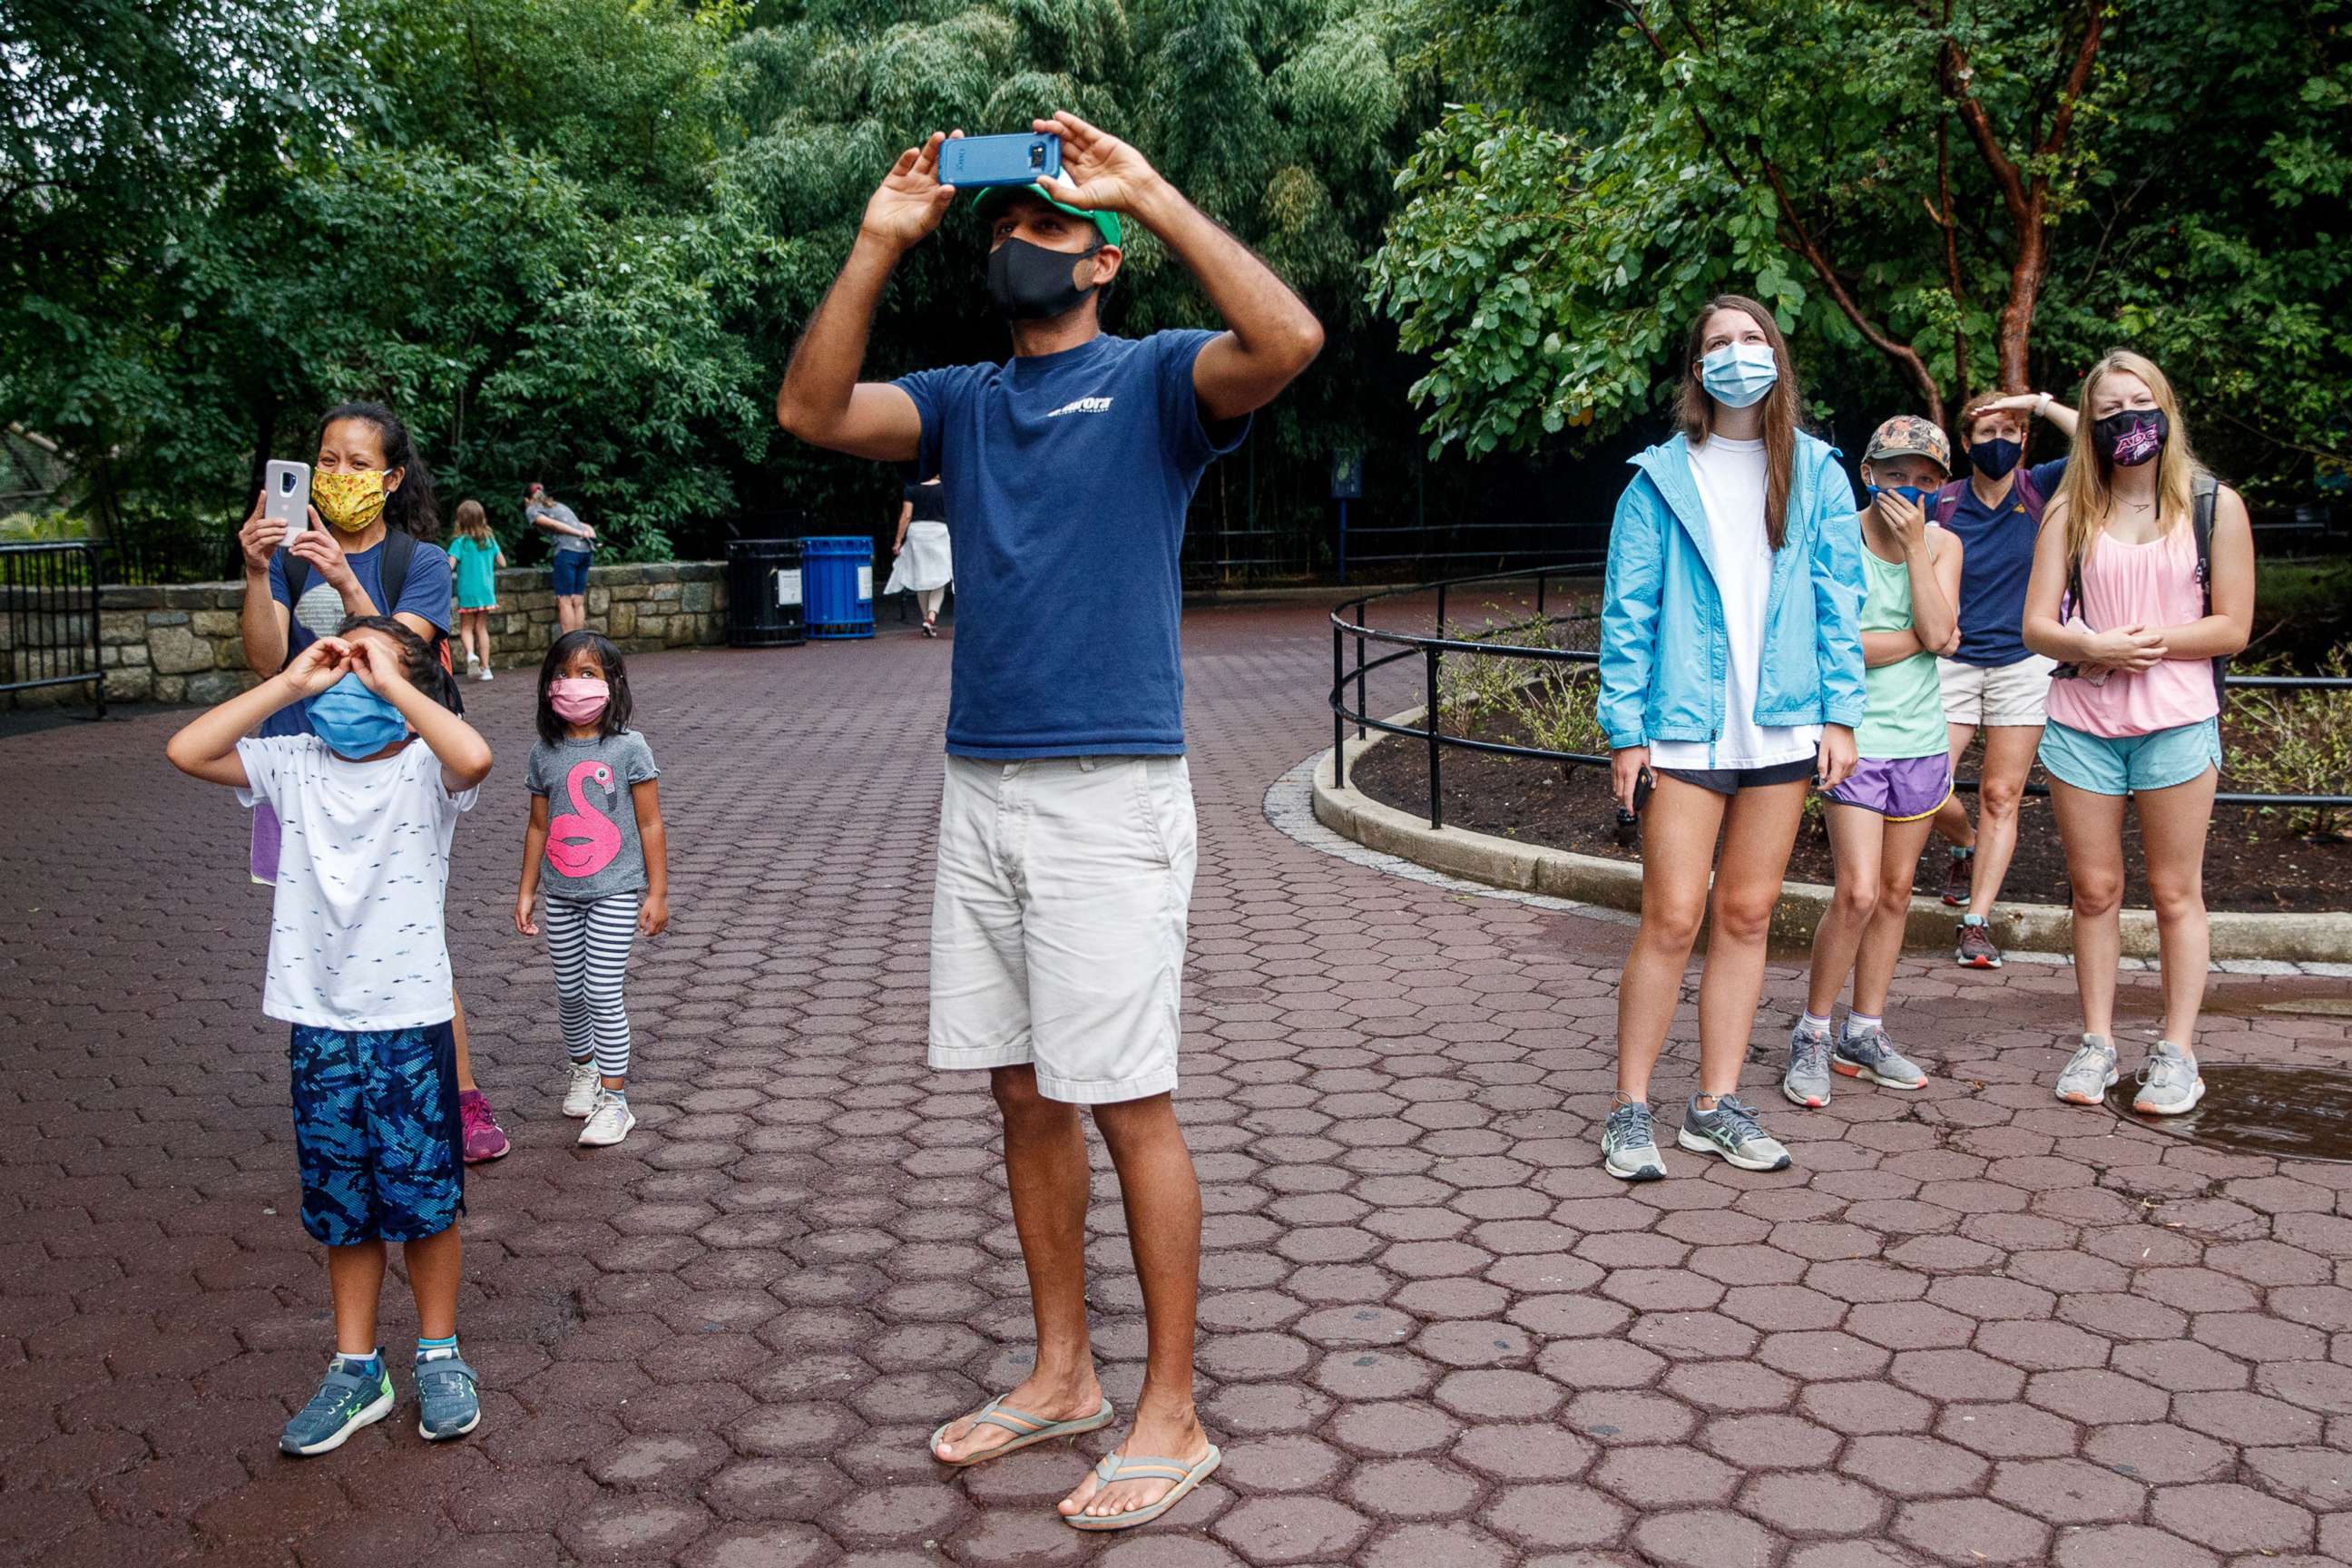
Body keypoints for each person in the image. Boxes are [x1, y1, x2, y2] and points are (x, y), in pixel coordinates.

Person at [775, 114, 1320, 1532]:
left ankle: (1173, 1410)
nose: (1021, 245)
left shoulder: (1153, 381)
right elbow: (815, 412)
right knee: (1021, 1090)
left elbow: (1291, 339)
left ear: (1105, 261)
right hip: (983, 785)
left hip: (1110, 793)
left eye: (1049, 225)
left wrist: (1153, 186)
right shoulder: (961, 399)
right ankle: (1066, 1374)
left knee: (1128, 1097)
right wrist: (875, 245)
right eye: (1005, 229)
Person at [164, 616, 492, 1455]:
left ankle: (440, 1352)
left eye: (366, 669)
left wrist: (394, 685)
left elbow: (476, 757)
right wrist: (291, 683)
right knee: (342, 1201)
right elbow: (186, 751)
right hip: (319, 1021)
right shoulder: (291, 763)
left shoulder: (426, 766)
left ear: (408, 681)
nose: (349, 683)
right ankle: (357, 1369)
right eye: (339, 666)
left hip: (409, 1018)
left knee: (424, 1199)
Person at [1596, 294, 1865, 1182]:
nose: (1738, 354)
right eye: (1720, 343)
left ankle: (1715, 1104)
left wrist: (1841, 713)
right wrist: (1624, 734)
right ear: (1696, 368)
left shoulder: (1819, 472)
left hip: (1781, 723)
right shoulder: (1658, 480)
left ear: (1777, 357)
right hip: (1683, 729)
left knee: (1747, 916)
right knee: (1672, 919)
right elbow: (1628, 617)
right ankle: (1629, 1110)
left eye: (1752, 339)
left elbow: (1839, 603)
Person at [234, 402, 507, 1164]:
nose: (339, 475)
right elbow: (264, 660)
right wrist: (260, 570)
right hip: (301, 771)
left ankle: (459, 1095)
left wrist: (346, 583)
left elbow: (400, 661)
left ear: (389, 479)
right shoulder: (286, 557)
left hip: (395, 776)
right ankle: (344, 1093)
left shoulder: (416, 563)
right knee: (314, 931)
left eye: (358, 464)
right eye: (327, 461)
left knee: (415, 932)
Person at [2023, 349, 2252, 1115]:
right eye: (2110, 409)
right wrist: (2090, 647)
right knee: (2094, 891)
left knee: (2174, 892)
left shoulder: (2215, 504)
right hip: (2083, 726)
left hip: (2177, 723)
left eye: (2140, 402)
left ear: (2166, 408)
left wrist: (2142, 642)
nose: (2128, 420)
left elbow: (2235, 626)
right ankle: (2096, 1042)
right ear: (2091, 423)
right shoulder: (2069, 511)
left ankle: (2178, 1052)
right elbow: (2034, 626)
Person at [1788, 416, 1964, 1107]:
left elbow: (1941, 629)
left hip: (1921, 739)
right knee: (1857, 892)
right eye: (1896, 477)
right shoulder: (1840, 537)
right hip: (1855, 736)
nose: (1909, 491)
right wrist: (1920, 636)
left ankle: (1866, 1030)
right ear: (1868, 475)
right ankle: (1812, 1033)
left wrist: (1919, 554)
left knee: (1895, 894)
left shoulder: (1944, 544)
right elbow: (1840, 646)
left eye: (1925, 481)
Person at [1926, 387, 2080, 968]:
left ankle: (1976, 921)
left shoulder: (2041, 488)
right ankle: (1963, 844)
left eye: (2009, 433)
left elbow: (2099, 437)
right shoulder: (1939, 505)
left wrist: (2037, 403)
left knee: (2001, 794)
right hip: (1951, 660)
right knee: (1926, 784)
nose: (1999, 443)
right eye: (1986, 434)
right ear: (1965, 444)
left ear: (2023, 440)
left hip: (2024, 662)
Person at [513, 632, 668, 1149]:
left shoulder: (628, 748)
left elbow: (649, 824)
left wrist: (656, 891)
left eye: (588, 674)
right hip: (561, 891)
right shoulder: (544, 752)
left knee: (602, 990)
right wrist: (527, 889)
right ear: (547, 687)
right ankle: (582, 1069)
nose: (574, 686)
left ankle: (615, 1100)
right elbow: (538, 827)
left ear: (612, 684)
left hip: (615, 890)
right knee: (570, 993)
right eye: (563, 674)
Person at [886, 475, 954, 635]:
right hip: (939, 533)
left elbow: (907, 515)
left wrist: (898, 540)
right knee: (940, 579)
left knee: (921, 578)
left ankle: (926, 619)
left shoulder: (912, 487)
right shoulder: (945, 489)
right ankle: (930, 618)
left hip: (917, 534)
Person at [525, 482, 595, 633]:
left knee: (564, 600)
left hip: (567, 551)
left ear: (527, 499)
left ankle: (569, 643)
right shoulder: (556, 505)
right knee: (578, 600)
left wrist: (578, 533)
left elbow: (555, 525)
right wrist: (589, 534)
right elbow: (584, 525)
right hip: (585, 550)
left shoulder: (532, 509)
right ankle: (579, 642)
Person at [447, 500, 506, 681]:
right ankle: (486, 668)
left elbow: (449, 566)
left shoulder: (460, 543)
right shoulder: (489, 541)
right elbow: (503, 562)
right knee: (482, 628)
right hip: (486, 591)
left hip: (468, 591)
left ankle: (471, 655)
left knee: (466, 627)